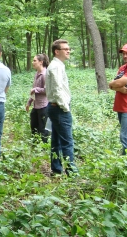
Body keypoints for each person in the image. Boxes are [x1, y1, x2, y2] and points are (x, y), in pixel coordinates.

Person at [45, 39, 77, 176]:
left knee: (56, 140)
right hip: (59, 108)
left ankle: (56, 170)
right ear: (57, 51)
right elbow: (57, 89)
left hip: (55, 107)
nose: (68, 50)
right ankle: (71, 172)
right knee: (67, 141)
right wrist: (65, 107)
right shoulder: (56, 66)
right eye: (65, 49)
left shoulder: (57, 65)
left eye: (69, 48)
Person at [26, 53, 51, 143]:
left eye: (34, 60)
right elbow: (34, 91)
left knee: (43, 129)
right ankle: (35, 145)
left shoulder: (45, 74)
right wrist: (29, 102)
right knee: (34, 126)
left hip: (44, 106)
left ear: (41, 62)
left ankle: (44, 148)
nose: (33, 62)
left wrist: (36, 89)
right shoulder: (37, 73)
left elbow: (47, 90)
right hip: (36, 106)